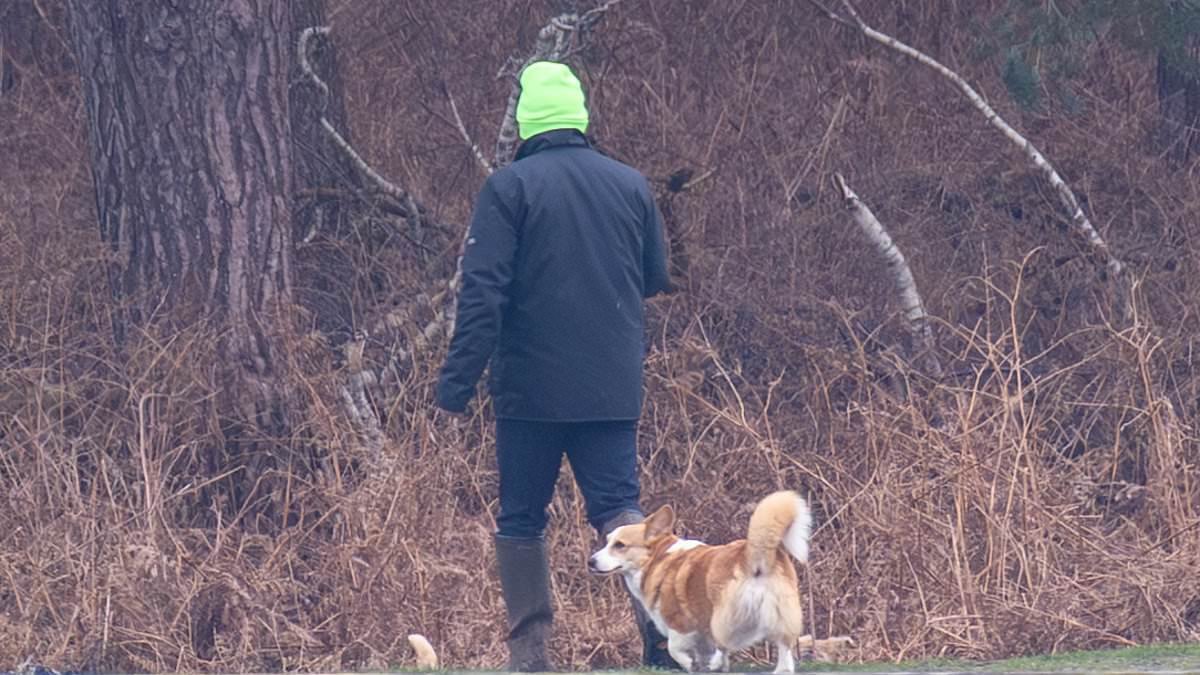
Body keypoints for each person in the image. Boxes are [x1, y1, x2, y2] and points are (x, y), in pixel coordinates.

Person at [435, 60, 675, 671]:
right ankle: (664, 641)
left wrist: (457, 383)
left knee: (521, 518)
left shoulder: (509, 189)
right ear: (579, 116)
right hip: (610, 387)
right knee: (619, 507)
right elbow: (654, 277)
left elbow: (481, 294)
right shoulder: (631, 185)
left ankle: (531, 658)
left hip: (530, 392)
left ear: (526, 121)